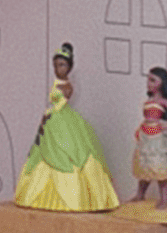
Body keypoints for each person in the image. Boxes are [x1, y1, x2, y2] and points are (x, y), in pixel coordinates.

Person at [14, 43, 120, 212]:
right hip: (51, 120)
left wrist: (49, 113)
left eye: (62, 65)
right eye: (56, 65)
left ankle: (74, 196)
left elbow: (60, 103)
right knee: (44, 153)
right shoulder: (57, 83)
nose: (58, 69)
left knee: (70, 152)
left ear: (69, 67)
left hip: (60, 118)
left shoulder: (67, 86)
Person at [129, 67, 167, 210]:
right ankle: (140, 195)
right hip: (145, 135)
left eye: (153, 80)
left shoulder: (162, 101)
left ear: (162, 83)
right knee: (144, 165)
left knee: (158, 166)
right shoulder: (149, 100)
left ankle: (164, 200)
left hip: (154, 136)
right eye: (148, 79)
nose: (148, 83)